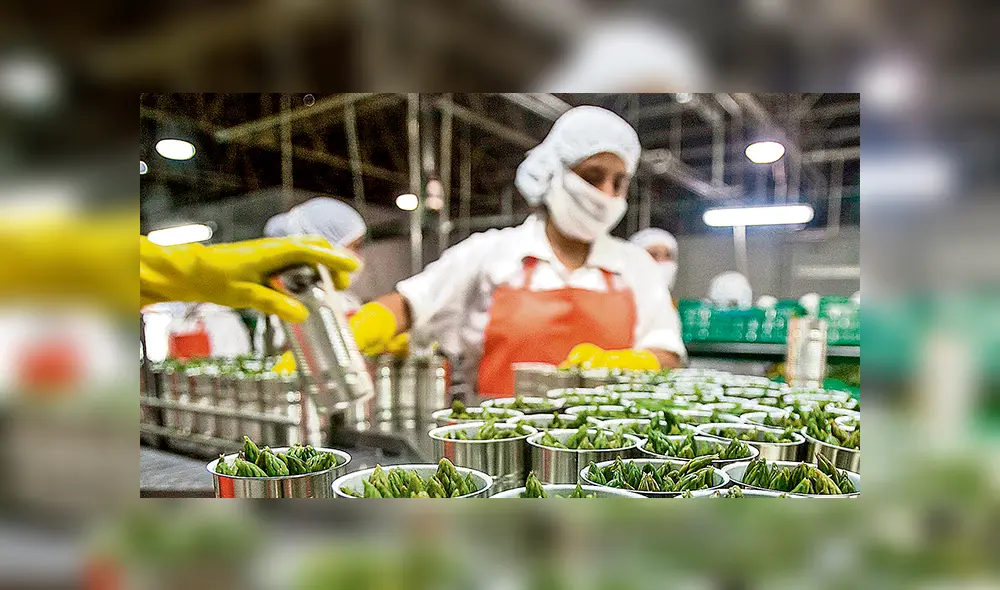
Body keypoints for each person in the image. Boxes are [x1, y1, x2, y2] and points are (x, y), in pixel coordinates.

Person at [348, 106, 686, 398]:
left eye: (619, 181)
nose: (606, 193)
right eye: (593, 176)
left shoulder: (635, 266)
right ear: (554, 172)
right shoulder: (493, 252)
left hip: (605, 450)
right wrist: (358, 331)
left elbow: (669, 351)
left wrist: (631, 362)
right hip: (496, 444)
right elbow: (410, 302)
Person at [629, 228, 679, 292]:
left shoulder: (673, 301)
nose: (661, 261)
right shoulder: (617, 299)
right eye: (653, 255)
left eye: (667, 255)